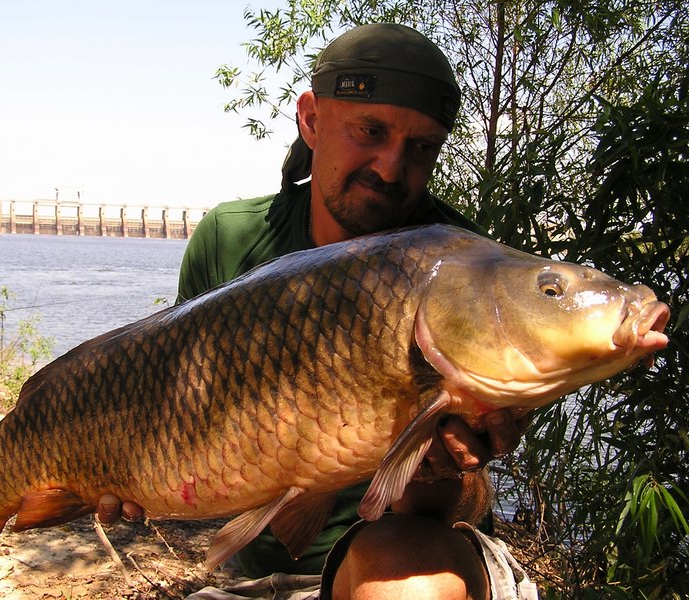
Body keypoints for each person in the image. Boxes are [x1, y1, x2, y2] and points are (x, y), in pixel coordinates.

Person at [98, 23, 538, 600]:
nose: (389, 167)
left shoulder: (470, 276)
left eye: (421, 147)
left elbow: (465, 506)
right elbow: (176, 416)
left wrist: (445, 470)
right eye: (369, 131)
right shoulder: (229, 241)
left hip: (411, 559)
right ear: (310, 121)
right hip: (255, 578)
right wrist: (126, 472)